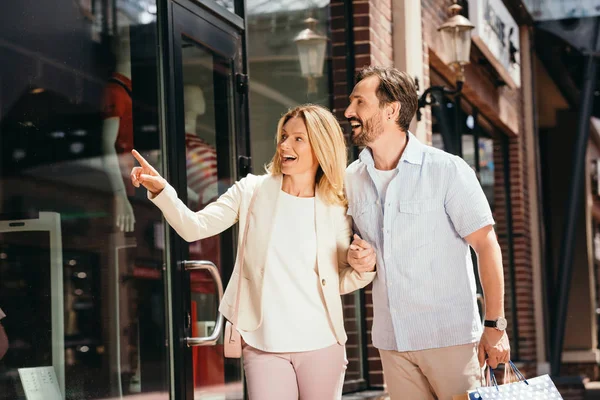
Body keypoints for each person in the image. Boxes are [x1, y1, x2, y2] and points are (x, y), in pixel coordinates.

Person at [130, 104, 376, 400]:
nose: (284, 144)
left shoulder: (335, 206)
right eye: (284, 136)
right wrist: (162, 192)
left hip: (322, 342)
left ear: (321, 146)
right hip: (263, 343)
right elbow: (194, 227)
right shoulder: (252, 191)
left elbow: (338, 279)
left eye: (298, 138)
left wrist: (362, 267)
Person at [344, 66, 510, 400]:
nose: (348, 112)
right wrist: (356, 256)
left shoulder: (446, 170)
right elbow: (355, 247)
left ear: (391, 110)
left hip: (450, 338)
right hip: (393, 342)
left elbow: (486, 245)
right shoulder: (352, 178)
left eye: (359, 103)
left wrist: (495, 326)